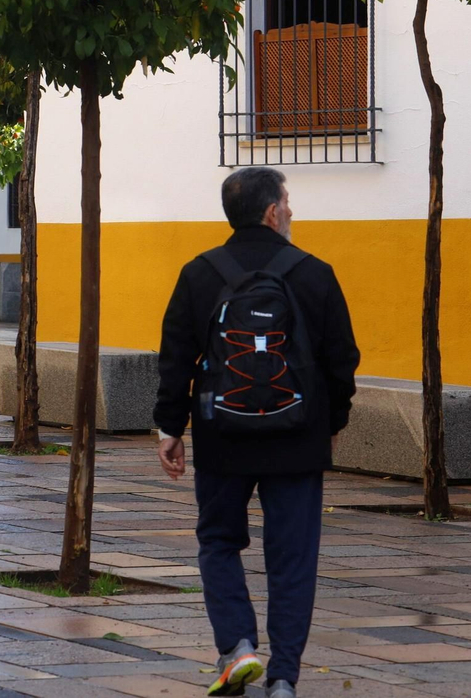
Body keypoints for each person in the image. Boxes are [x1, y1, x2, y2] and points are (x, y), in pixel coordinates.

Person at [154, 167, 360, 698]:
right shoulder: (315, 273)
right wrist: (331, 426)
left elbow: (176, 357)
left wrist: (170, 428)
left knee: (218, 541)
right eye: (288, 201)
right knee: (292, 557)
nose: (291, 210)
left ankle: (238, 648)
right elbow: (343, 361)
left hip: (223, 437)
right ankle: (284, 678)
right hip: (298, 439)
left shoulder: (199, 273)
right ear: (272, 212)